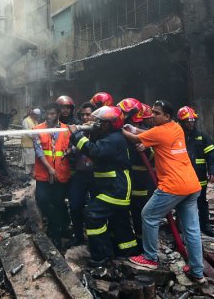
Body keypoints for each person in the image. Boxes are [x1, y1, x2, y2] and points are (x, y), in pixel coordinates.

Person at [122, 100, 205, 284]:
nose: (152, 115)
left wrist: (120, 128)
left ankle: (150, 257)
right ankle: (197, 271)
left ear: (167, 116)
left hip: (173, 186)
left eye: (157, 113)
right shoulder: (176, 127)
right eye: (152, 112)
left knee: (148, 215)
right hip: (191, 185)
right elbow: (147, 134)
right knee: (191, 229)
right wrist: (134, 129)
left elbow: (137, 139)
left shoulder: (160, 131)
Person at [69, 106, 138, 266]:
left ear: (110, 124)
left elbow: (95, 151)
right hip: (113, 187)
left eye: (100, 122)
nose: (96, 124)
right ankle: (127, 250)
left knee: (92, 214)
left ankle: (101, 255)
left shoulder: (114, 139)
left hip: (117, 188)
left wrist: (76, 134)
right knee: (118, 220)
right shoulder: (110, 136)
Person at [33, 103, 72, 249]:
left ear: (58, 115)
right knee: (42, 199)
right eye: (47, 114)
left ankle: (57, 231)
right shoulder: (37, 129)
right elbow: (39, 151)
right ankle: (56, 225)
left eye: (52, 114)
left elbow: (71, 147)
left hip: (61, 173)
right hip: (44, 173)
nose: (49, 117)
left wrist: (69, 151)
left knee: (58, 201)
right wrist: (50, 169)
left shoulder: (66, 129)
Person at [177, 106, 214, 236]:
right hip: (181, 176)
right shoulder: (177, 136)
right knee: (181, 202)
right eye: (188, 121)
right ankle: (180, 227)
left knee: (201, 201)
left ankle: (205, 226)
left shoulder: (201, 136)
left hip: (199, 176)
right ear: (181, 122)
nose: (191, 123)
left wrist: (213, 171)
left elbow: (211, 154)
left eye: (192, 120)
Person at [117, 98, 153, 244]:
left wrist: (147, 148)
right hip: (125, 176)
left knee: (140, 209)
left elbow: (155, 155)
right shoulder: (122, 130)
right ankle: (129, 240)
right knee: (125, 209)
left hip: (142, 178)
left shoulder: (147, 133)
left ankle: (142, 241)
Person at [66, 101, 97, 246]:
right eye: (83, 115)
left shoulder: (100, 131)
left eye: (88, 114)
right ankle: (78, 236)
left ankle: (96, 240)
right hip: (79, 174)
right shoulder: (77, 131)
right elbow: (72, 149)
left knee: (96, 209)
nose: (85, 118)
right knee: (75, 206)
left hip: (97, 176)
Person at [21, 108, 41, 175]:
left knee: (33, 160)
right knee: (28, 160)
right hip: (27, 143)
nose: (37, 117)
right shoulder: (26, 120)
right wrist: (34, 136)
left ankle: (32, 173)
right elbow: (27, 131)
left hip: (34, 144)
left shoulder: (35, 121)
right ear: (33, 114)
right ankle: (27, 173)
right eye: (36, 115)